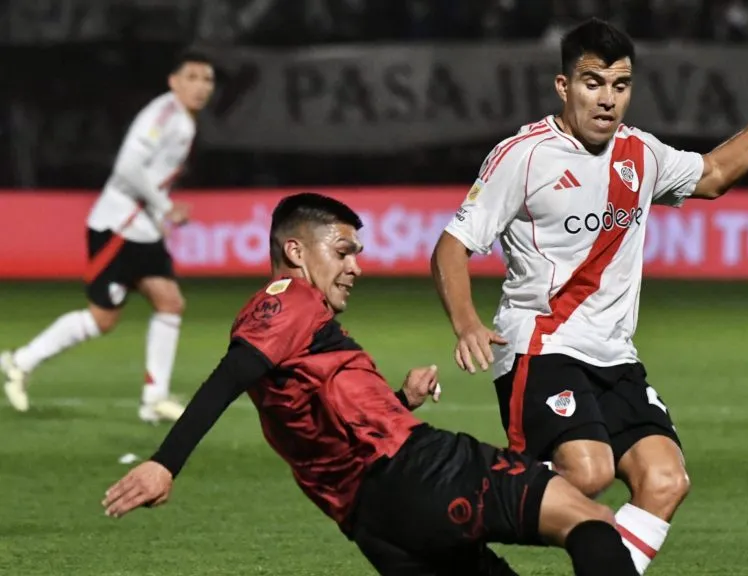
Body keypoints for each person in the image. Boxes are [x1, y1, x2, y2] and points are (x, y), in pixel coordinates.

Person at [431, 18, 748, 574]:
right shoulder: (523, 156)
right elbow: (452, 245)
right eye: (592, 83)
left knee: (666, 480)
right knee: (587, 474)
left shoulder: (640, 154)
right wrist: (467, 321)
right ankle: (450, 513)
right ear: (564, 87)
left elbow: (713, 174)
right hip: (540, 345)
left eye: (620, 85)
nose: (607, 99)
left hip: (614, 355)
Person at [101, 193, 640, 576]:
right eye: (343, 251)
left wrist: (399, 400)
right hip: (418, 469)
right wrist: (164, 462)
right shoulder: (289, 297)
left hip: (374, 524)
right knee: (590, 519)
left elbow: (312, 408)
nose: (356, 266)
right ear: (295, 251)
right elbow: (233, 374)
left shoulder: (293, 325)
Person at [1, 50, 216, 423]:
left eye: (207, 79)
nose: (201, 87)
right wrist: (165, 207)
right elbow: (128, 167)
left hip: (141, 228)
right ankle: (19, 361)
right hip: (118, 226)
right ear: (174, 81)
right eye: (192, 77)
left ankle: (154, 398)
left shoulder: (182, 119)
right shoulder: (164, 116)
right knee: (103, 318)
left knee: (169, 303)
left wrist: (159, 212)